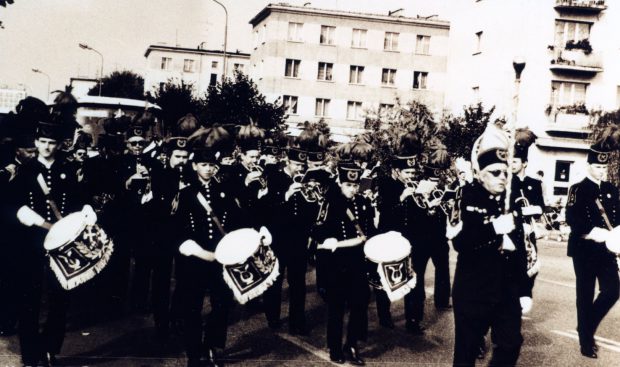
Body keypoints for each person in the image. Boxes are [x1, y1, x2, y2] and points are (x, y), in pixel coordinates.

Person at [451, 125, 531, 367]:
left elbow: (526, 248)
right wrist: (494, 229)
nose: (502, 178)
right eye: (495, 173)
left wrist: (525, 289)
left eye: (505, 173)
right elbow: (460, 242)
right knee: (466, 354)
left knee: (511, 344)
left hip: (506, 290)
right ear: (481, 174)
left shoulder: (513, 201)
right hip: (474, 291)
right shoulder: (466, 196)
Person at [172, 126, 246, 367]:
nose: (209, 168)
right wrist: (196, 250)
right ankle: (194, 354)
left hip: (221, 260)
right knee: (191, 308)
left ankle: (212, 347)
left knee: (222, 305)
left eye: (212, 165)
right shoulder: (185, 195)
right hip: (194, 259)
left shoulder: (224, 192)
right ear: (194, 166)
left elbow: (236, 222)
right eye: (204, 165)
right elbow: (177, 230)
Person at [13, 122, 85, 366]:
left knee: (60, 297)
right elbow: (14, 205)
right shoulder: (26, 170)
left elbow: (77, 201)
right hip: (31, 241)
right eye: (42, 142)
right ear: (36, 143)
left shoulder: (68, 169)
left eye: (51, 143)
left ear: (59, 145)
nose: (46, 147)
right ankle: (30, 353)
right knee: (29, 298)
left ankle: (50, 348)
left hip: (61, 244)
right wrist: (34, 220)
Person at [313, 161, 375, 365]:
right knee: (337, 308)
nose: (353, 189)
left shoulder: (363, 203)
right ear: (340, 183)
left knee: (360, 304)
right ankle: (334, 347)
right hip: (336, 264)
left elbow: (370, 231)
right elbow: (318, 232)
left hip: (357, 263)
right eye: (348, 185)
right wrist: (334, 241)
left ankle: (352, 344)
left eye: (356, 185)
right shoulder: (330, 203)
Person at [566, 143, 620, 359]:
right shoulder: (578, 189)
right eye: (598, 167)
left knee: (613, 290)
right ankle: (586, 341)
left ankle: (585, 327)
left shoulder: (612, 189)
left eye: (604, 169)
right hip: (584, 249)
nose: (602, 171)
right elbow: (573, 220)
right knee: (585, 295)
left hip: (606, 249)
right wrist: (593, 231)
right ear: (589, 166)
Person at [262, 145, 319, 334]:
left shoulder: (307, 180)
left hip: (299, 238)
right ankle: (273, 317)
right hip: (279, 237)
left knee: (298, 282)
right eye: (296, 164)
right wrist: (286, 194)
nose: (299, 168)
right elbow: (268, 207)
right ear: (287, 162)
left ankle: (297, 321)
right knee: (276, 279)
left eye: (302, 165)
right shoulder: (275, 178)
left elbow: (312, 210)